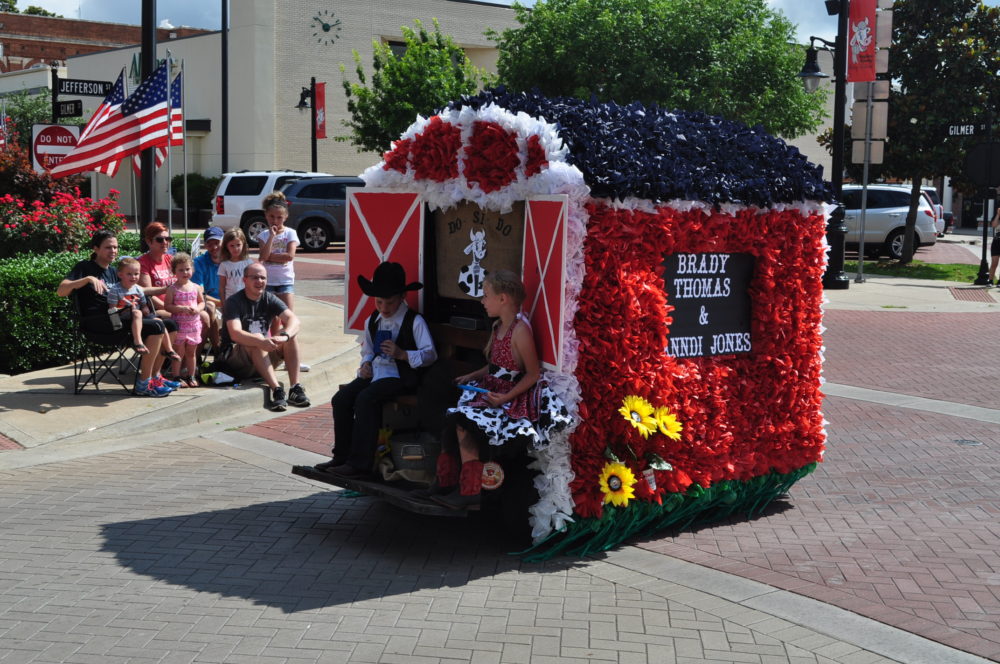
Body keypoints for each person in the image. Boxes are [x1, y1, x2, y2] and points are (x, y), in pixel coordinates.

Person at [432, 270, 571, 509]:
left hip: (510, 400)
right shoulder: (498, 327)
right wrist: (472, 375)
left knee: (464, 422)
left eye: (486, 296)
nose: (483, 301)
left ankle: (470, 492)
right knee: (451, 415)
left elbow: (532, 374)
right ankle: (445, 482)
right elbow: (495, 366)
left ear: (503, 298)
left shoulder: (520, 331)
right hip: (492, 390)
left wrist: (504, 398)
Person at [315, 262, 437, 477]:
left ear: (401, 298)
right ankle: (341, 456)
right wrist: (365, 366)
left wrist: (403, 354)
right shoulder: (372, 320)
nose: (384, 308)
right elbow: (368, 351)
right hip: (377, 374)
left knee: (365, 399)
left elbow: (430, 354)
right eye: (379, 302)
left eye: (389, 302)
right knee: (341, 399)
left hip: (402, 375)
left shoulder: (414, 321)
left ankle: (360, 464)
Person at [56, 231, 171, 397]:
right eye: (108, 247)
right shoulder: (84, 267)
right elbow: (61, 291)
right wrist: (88, 279)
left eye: (115, 247)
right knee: (156, 326)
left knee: (169, 324)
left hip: (120, 318)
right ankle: (144, 384)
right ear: (96, 248)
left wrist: (166, 289)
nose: (113, 251)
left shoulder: (113, 271)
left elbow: (137, 290)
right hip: (98, 323)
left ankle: (155, 377)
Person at [222, 262, 310, 411]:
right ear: (245, 280)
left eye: (263, 278)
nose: (259, 281)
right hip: (238, 360)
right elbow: (235, 333)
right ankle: (277, 390)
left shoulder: (269, 298)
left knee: (290, 335)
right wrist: (260, 341)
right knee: (257, 338)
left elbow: (294, 320)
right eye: (254, 277)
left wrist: (285, 336)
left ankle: (295, 388)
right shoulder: (234, 301)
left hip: (263, 358)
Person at [105, 257, 182, 375]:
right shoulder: (115, 290)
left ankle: (169, 350)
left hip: (139, 317)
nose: (134, 277)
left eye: (136, 274)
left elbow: (143, 304)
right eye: (129, 274)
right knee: (137, 312)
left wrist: (146, 308)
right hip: (124, 318)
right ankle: (138, 342)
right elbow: (112, 309)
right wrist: (116, 326)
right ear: (120, 275)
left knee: (159, 321)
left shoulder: (137, 289)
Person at [164, 253, 205, 387]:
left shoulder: (196, 287)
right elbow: (167, 306)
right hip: (179, 325)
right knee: (179, 352)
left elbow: (202, 302)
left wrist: (198, 309)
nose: (185, 272)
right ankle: (176, 376)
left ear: (192, 270)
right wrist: (180, 308)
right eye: (181, 270)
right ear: (174, 271)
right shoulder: (172, 289)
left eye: (187, 269)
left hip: (193, 325)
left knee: (191, 353)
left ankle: (191, 375)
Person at [256, 191, 298, 315]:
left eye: (279, 217)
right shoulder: (263, 235)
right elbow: (263, 257)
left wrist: (270, 256)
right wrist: (271, 237)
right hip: (268, 281)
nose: (275, 220)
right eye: (272, 216)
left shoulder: (290, 233)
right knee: (271, 318)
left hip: (285, 281)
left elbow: (289, 256)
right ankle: (273, 335)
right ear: (266, 216)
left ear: (285, 217)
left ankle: (289, 335)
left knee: (288, 315)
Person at [191, 227, 223, 351]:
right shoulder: (198, 263)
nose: (214, 247)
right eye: (210, 243)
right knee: (209, 308)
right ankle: (217, 351)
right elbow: (200, 293)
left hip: (229, 304)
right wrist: (222, 303)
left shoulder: (230, 261)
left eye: (217, 243)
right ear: (205, 245)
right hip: (210, 304)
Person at [217, 228, 254, 312]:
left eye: (238, 245)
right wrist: (223, 303)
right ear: (226, 246)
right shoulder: (224, 265)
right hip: (230, 301)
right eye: (232, 246)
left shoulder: (249, 263)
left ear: (243, 245)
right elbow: (222, 287)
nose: (235, 248)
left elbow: (252, 283)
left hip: (246, 300)